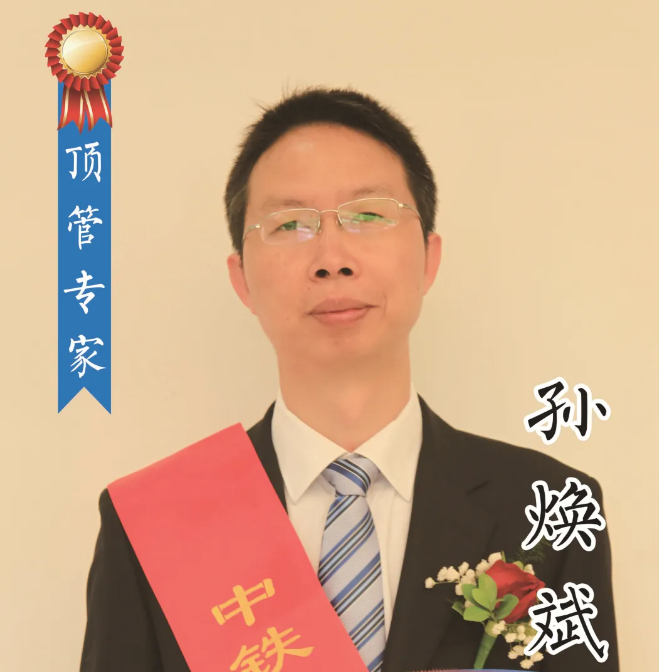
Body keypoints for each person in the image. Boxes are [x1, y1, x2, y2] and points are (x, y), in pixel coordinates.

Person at [80, 86, 619, 672]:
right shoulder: (154, 523)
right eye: (289, 224)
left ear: (429, 258)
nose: (332, 258)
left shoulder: (551, 509)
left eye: (368, 215)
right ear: (242, 279)